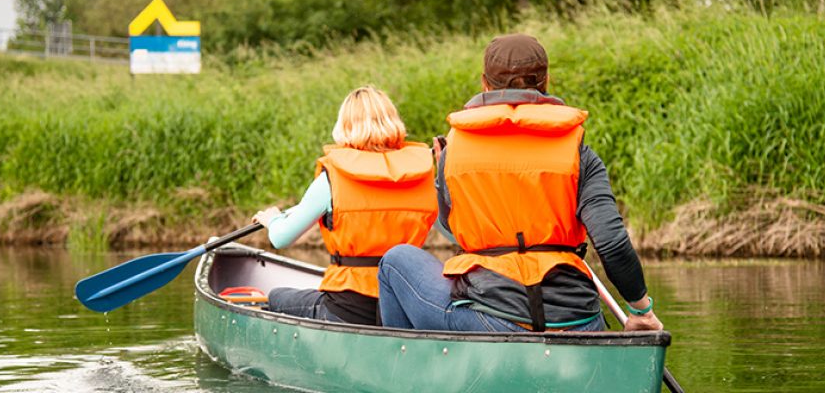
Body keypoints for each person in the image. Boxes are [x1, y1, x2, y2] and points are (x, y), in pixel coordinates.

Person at [377, 34, 664, 333]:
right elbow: (612, 243)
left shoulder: (454, 151)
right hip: (577, 321)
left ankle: (414, 369)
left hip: (489, 319)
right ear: (546, 81)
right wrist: (640, 311)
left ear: (484, 84)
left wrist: (442, 176)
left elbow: (453, 231)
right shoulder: (579, 153)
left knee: (395, 260)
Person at [252, 86, 438, 326]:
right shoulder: (421, 175)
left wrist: (273, 219)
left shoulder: (332, 179)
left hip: (348, 308)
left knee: (276, 297)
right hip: (403, 305)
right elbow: (449, 231)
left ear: (345, 126)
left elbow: (281, 238)